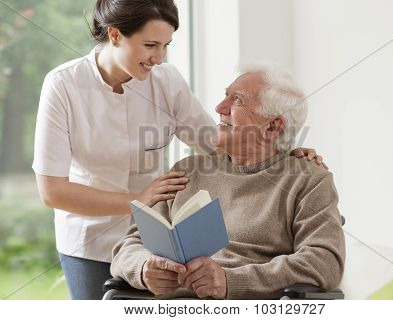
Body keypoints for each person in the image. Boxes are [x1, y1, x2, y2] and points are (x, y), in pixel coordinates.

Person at [32, 0, 324, 300]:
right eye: (150, 45)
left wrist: (289, 154)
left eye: (166, 45)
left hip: (154, 240)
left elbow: (218, 143)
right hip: (89, 240)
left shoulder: (166, 81)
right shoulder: (63, 86)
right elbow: (52, 192)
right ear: (115, 35)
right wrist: (138, 200)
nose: (158, 57)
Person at [110, 66, 345, 299]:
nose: (219, 108)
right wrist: (143, 268)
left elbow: (325, 262)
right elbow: (129, 244)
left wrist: (230, 280)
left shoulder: (309, 180)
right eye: (226, 96)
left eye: (237, 101)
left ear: (273, 126)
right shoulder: (187, 170)